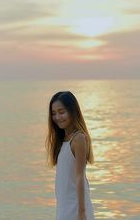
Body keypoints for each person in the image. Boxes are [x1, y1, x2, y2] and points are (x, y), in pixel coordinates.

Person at [45, 91, 95, 220]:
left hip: (76, 208)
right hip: (64, 207)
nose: (57, 117)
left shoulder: (78, 139)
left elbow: (79, 177)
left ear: (73, 111)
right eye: (54, 113)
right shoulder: (62, 141)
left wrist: (82, 212)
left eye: (62, 112)